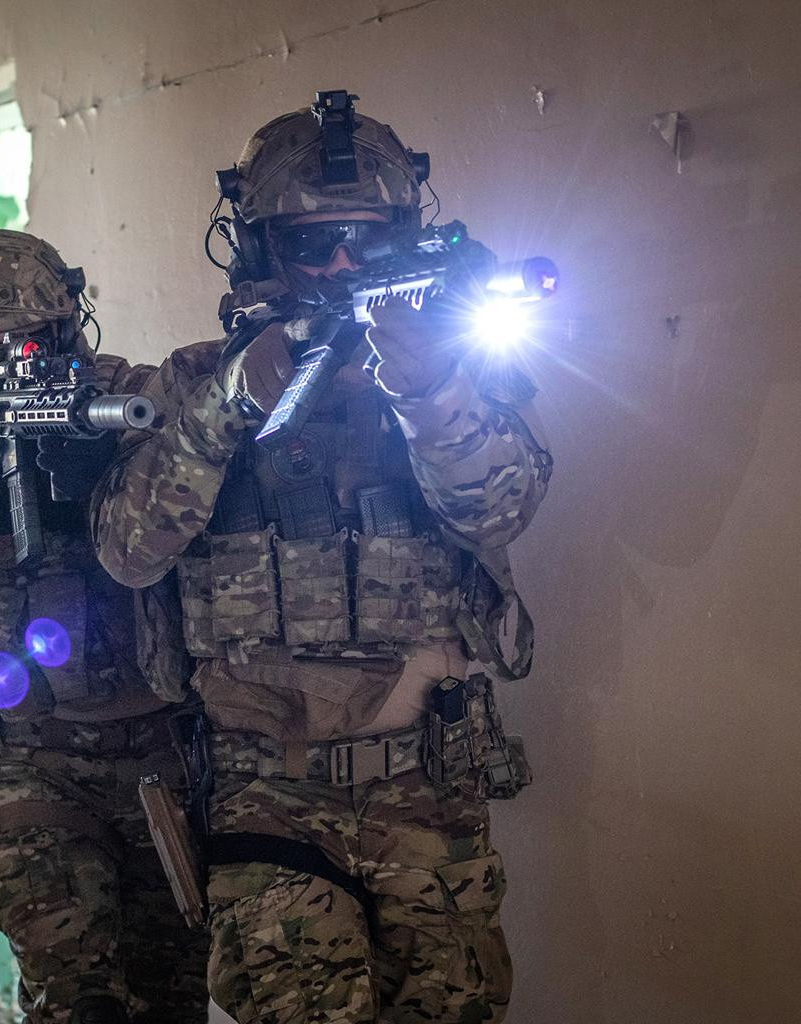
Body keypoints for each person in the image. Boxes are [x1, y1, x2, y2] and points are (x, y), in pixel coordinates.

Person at [91, 93, 553, 1022]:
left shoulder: (455, 364)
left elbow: (500, 511)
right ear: (261, 248)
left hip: (429, 783)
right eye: (313, 242)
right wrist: (226, 406)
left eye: (365, 239)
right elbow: (129, 553)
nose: (342, 264)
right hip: (266, 795)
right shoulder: (191, 382)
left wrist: (429, 392)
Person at [0, 228, 209, 1024]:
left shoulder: (140, 409)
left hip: (165, 750)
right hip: (24, 762)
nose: (0, 373)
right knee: (78, 1000)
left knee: (173, 992)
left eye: (21, 347)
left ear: (64, 330)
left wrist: (119, 480)